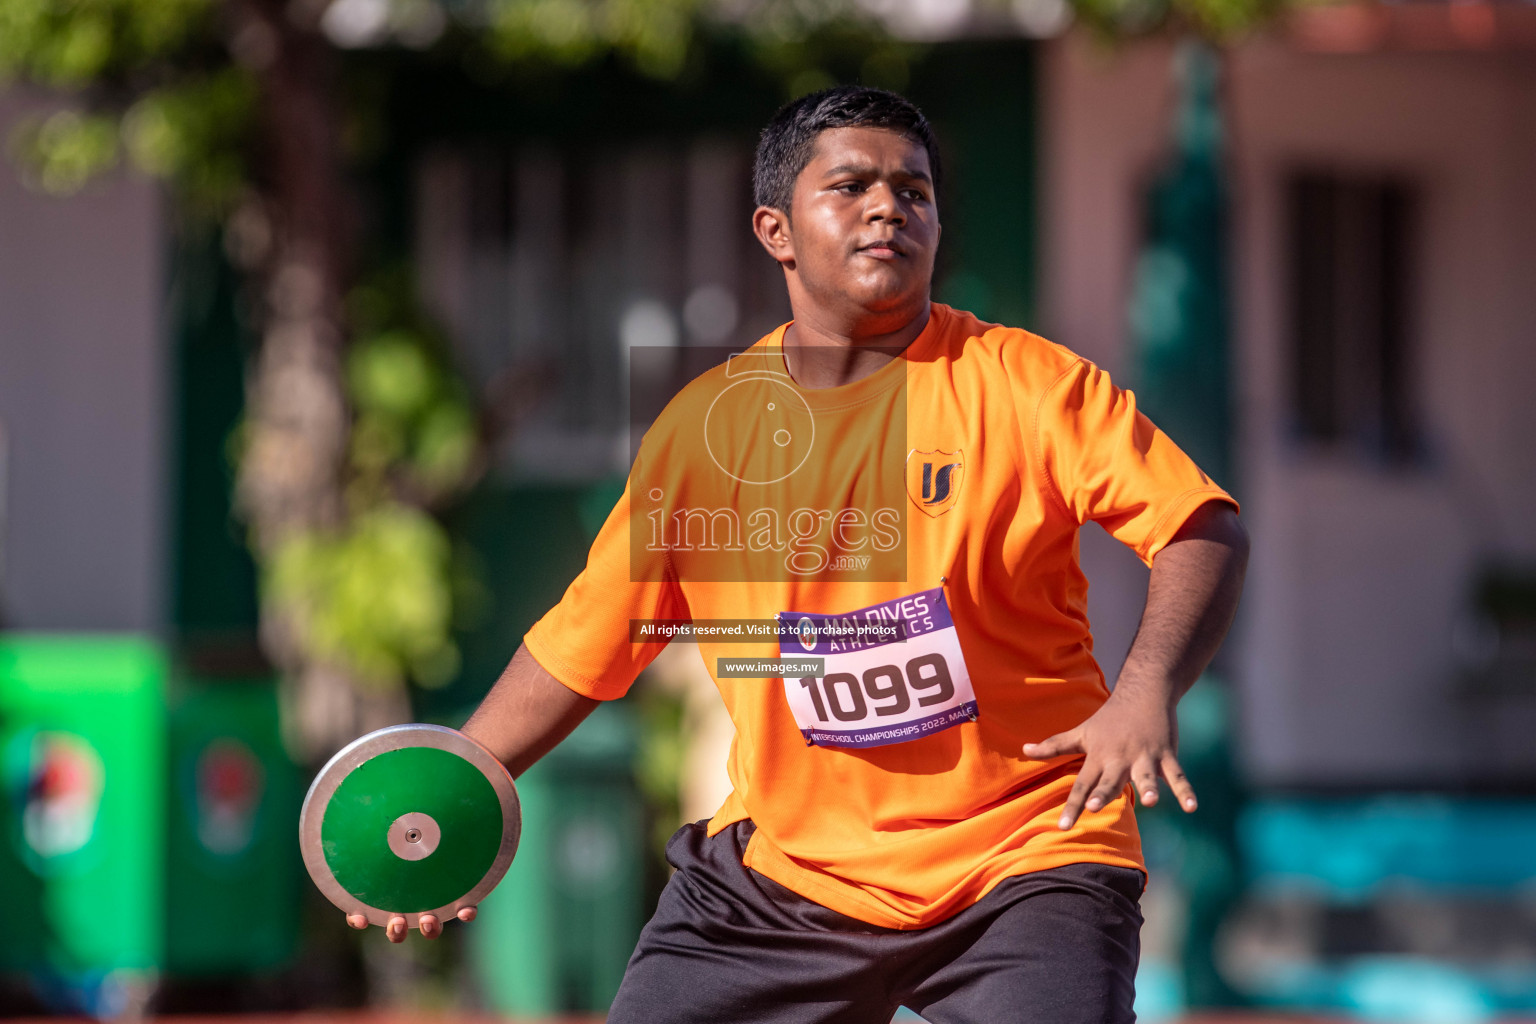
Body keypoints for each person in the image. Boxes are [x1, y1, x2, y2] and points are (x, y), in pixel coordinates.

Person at [350, 85, 1249, 1024]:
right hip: (787, 873)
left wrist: (1146, 688)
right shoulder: (706, 433)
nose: (888, 209)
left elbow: (1200, 525)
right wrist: (458, 785)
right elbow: (588, 642)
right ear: (776, 231)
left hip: (1027, 855)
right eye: (851, 186)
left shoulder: (1029, 386)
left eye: (914, 190)